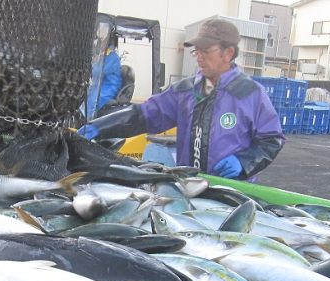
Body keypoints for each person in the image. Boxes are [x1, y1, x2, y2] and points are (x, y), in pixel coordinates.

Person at [79, 18, 284, 180]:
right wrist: (100, 126)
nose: (199, 57)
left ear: (228, 53)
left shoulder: (250, 93)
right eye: (197, 51)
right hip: (189, 186)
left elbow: (271, 139)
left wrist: (244, 162)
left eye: (206, 51)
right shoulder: (185, 91)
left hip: (231, 191)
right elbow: (144, 115)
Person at [85, 41, 122, 119]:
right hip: (101, 84)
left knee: (93, 99)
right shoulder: (102, 55)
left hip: (110, 86)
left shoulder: (112, 56)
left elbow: (99, 71)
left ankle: (88, 121)